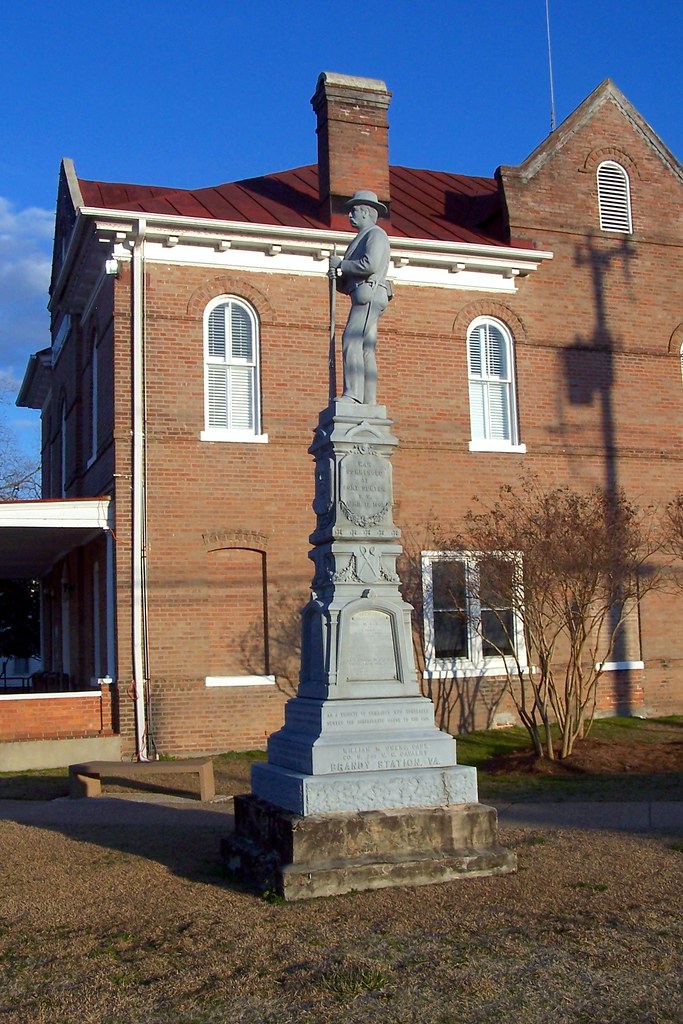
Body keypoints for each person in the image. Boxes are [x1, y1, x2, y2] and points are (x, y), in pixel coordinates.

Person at [329, 190, 392, 405]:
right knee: (366, 348)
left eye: (354, 210)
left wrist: (342, 264)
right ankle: (368, 400)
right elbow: (350, 283)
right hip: (363, 294)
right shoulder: (363, 237)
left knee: (351, 339)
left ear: (366, 212)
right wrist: (337, 277)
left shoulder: (376, 234)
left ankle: (353, 394)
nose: (350, 215)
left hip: (369, 294)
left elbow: (369, 265)